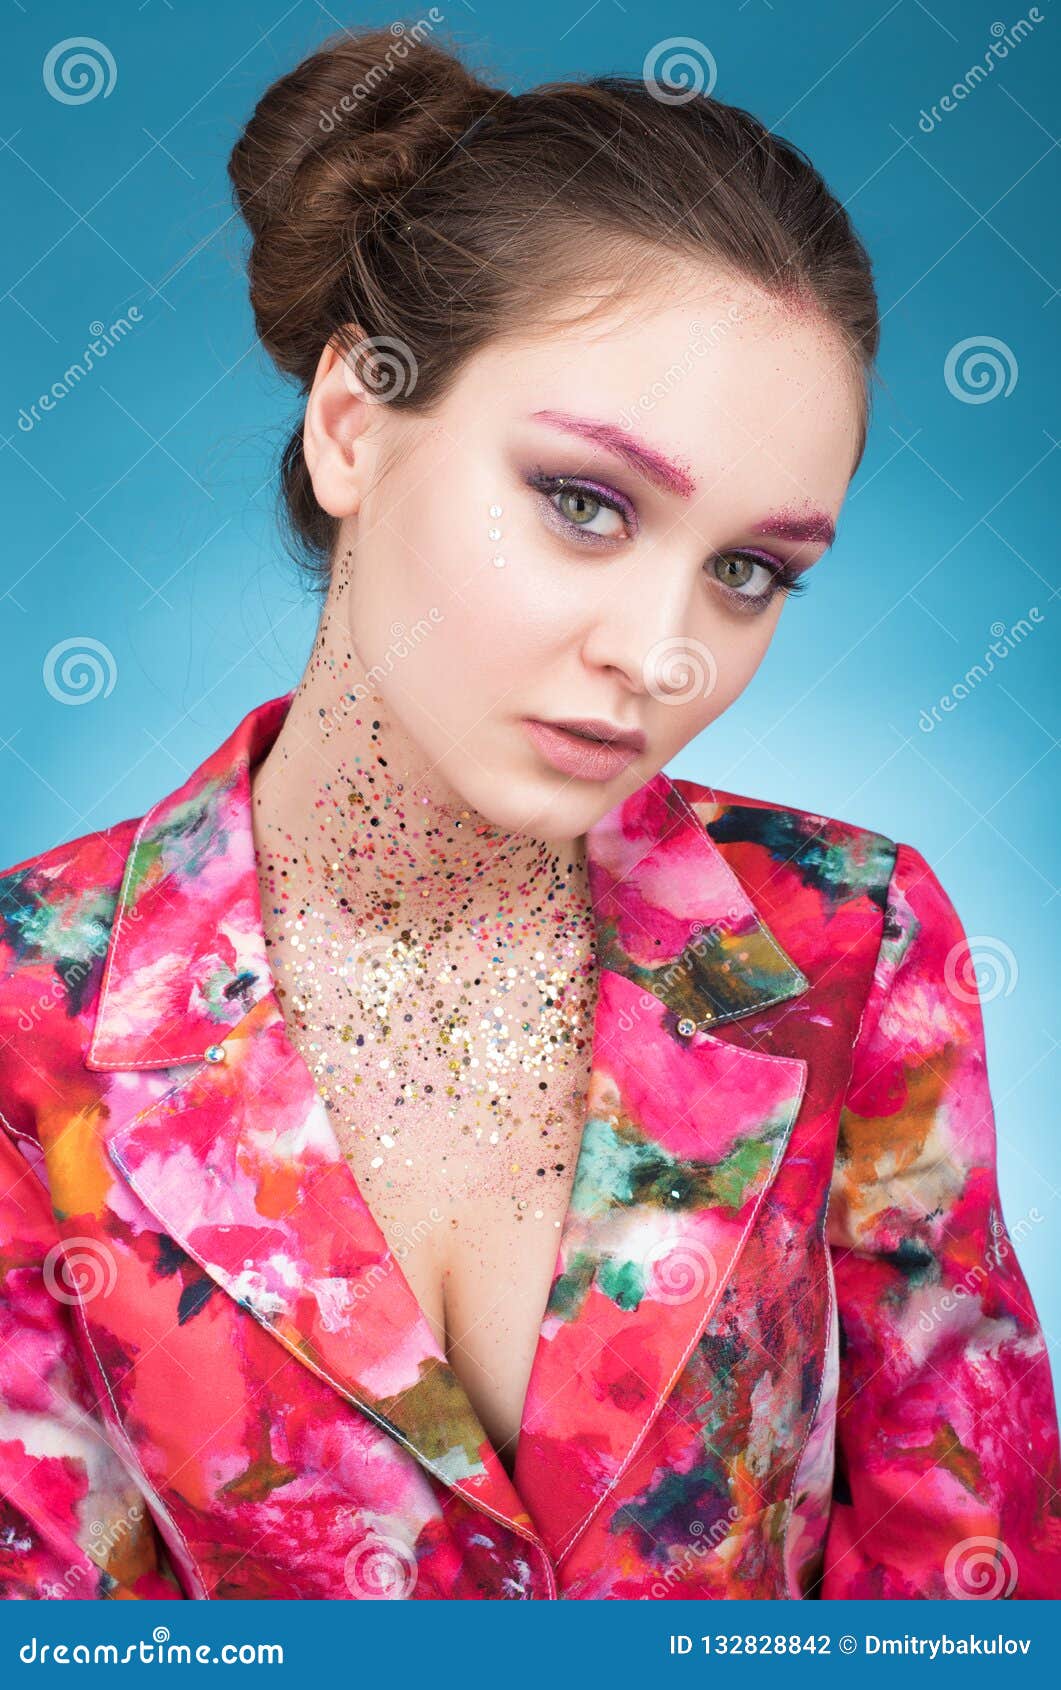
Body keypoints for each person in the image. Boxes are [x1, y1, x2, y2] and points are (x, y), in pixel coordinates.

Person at [1, 27, 1058, 1602]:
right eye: (584, 501)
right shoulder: (32, 1009)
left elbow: (971, 1572)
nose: (665, 651)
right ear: (354, 422)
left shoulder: (850, 936)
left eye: (750, 568)